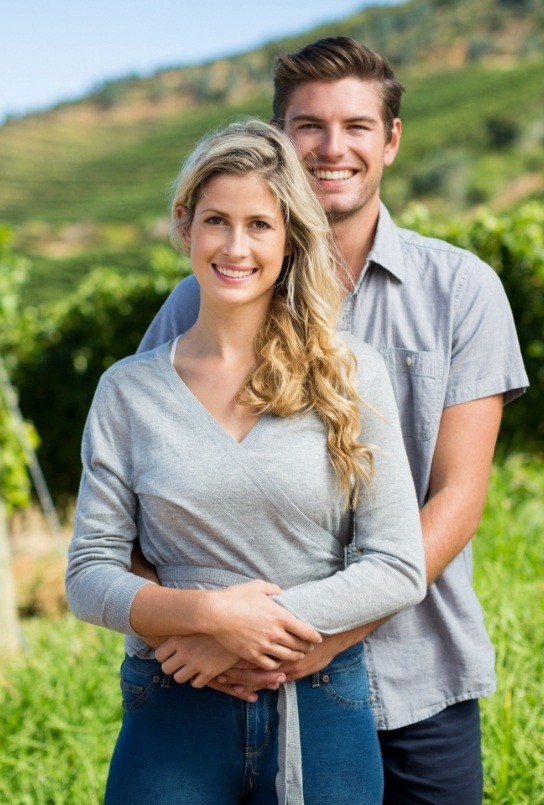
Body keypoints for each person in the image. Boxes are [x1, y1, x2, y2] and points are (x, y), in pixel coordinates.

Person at [137, 38, 529, 804]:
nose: (331, 147)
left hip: (420, 678)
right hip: (234, 694)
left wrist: (323, 639)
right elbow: (136, 497)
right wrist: (195, 632)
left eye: (356, 125)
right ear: (278, 141)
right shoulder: (197, 302)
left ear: (391, 140)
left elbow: (457, 497)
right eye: (307, 126)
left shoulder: (463, 292)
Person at [66, 119, 426, 805]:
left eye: (260, 224)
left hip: (320, 707)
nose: (235, 246)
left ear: (289, 237)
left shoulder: (352, 377)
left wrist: (243, 633)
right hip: (173, 705)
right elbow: (89, 574)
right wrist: (206, 614)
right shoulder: (127, 391)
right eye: (216, 220)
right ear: (185, 226)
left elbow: (398, 565)